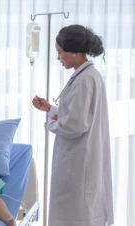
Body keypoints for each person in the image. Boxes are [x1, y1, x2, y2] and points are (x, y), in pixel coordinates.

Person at [32, 25, 114, 226]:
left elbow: (74, 126)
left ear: (75, 52)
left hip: (79, 161)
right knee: (76, 211)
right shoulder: (85, 75)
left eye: (60, 52)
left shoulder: (85, 79)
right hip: (80, 157)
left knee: (76, 213)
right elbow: (77, 114)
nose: (58, 57)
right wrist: (51, 109)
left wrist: (50, 123)